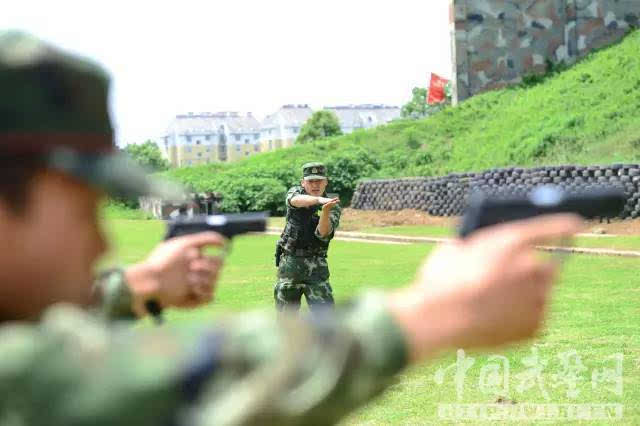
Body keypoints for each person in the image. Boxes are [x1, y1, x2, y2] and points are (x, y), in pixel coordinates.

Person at [0, 31, 582, 426]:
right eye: (83, 211)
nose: (101, 242)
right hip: (292, 267)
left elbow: (325, 221)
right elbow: (119, 378)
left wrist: (134, 286)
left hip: (314, 263)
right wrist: (432, 312)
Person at [274, 162, 341, 313]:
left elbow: (323, 233)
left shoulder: (332, 204)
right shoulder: (296, 193)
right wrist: (318, 200)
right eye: (311, 181)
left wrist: (325, 210)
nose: (315, 185)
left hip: (317, 267)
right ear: (303, 182)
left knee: (325, 318)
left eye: (319, 181)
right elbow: (293, 201)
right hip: (290, 266)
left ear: (326, 182)